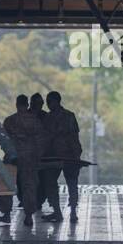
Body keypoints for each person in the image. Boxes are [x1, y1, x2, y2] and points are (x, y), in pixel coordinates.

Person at [2, 95, 46, 226]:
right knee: (29, 187)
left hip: (12, 158)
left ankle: (6, 214)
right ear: (27, 105)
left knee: (7, 187)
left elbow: (4, 140)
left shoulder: (9, 121)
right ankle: (28, 216)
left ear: (16, 104)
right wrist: (37, 156)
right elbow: (41, 140)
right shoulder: (35, 121)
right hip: (30, 159)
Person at [42, 92, 83, 223]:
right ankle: (57, 211)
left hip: (68, 155)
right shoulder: (49, 118)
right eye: (47, 101)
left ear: (57, 101)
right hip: (53, 156)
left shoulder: (68, 116)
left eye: (50, 101)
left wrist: (76, 155)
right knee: (51, 183)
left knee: (71, 184)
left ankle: (73, 212)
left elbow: (74, 136)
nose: (48, 104)